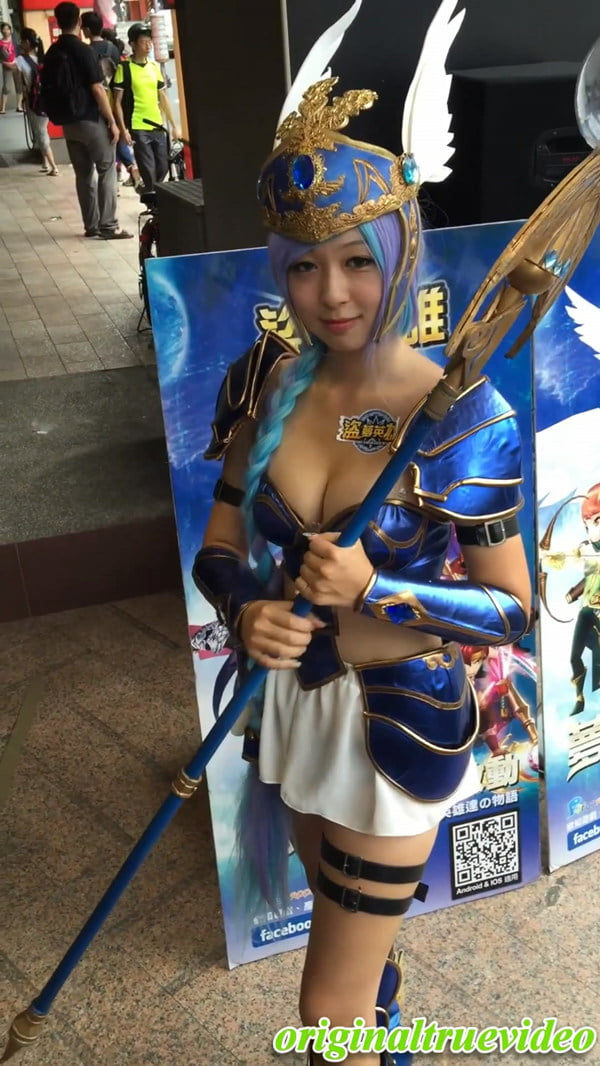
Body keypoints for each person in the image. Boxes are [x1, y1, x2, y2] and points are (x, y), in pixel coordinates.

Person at [191, 2, 532, 1065]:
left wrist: (374, 589)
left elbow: (514, 610)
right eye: (302, 265)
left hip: (400, 729)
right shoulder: (264, 380)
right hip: (292, 711)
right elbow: (218, 545)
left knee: (323, 1011)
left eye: (354, 260)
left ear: (402, 247)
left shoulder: (464, 416)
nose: (330, 293)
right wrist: (245, 609)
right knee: (358, 971)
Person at [41, 2, 132, 239]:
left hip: (68, 123)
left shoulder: (52, 52)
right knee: (106, 169)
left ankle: (91, 226)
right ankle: (108, 225)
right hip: (90, 120)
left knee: (83, 175)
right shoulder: (84, 50)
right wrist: (112, 121)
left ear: (58, 21)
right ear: (79, 22)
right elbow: (97, 88)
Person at [112, 22, 181, 194]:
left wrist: (174, 126)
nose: (148, 45)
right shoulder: (124, 68)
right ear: (133, 44)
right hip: (138, 126)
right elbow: (117, 102)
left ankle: (147, 192)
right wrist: (123, 129)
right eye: (143, 42)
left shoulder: (154, 67)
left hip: (157, 125)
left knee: (163, 167)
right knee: (148, 169)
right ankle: (152, 199)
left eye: (150, 41)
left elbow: (163, 98)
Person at [81, 9, 141, 190]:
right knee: (117, 137)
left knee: (108, 142)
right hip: (116, 100)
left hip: (97, 104)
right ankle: (129, 168)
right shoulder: (113, 48)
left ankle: (123, 172)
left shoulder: (86, 51)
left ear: (87, 30)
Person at [16, 28, 59, 176]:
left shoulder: (20, 60)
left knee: (40, 132)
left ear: (27, 42)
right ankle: (45, 163)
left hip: (34, 101)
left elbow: (21, 84)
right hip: (48, 100)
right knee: (41, 130)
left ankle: (54, 166)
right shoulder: (44, 58)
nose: (20, 44)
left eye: (22, 41)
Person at [0, 21, 23, 114]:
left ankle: (19, 106)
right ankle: (3, 108)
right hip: (6, 66)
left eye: (7, 29)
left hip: (16, 64)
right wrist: (4, 63)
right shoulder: (0, 43)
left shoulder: (15, 40)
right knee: (6, 86)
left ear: (10, 30)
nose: (6, 31)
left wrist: (18, 62)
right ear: (1, 31)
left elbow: (20, 51)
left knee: (19, 85)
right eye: (4, 29)